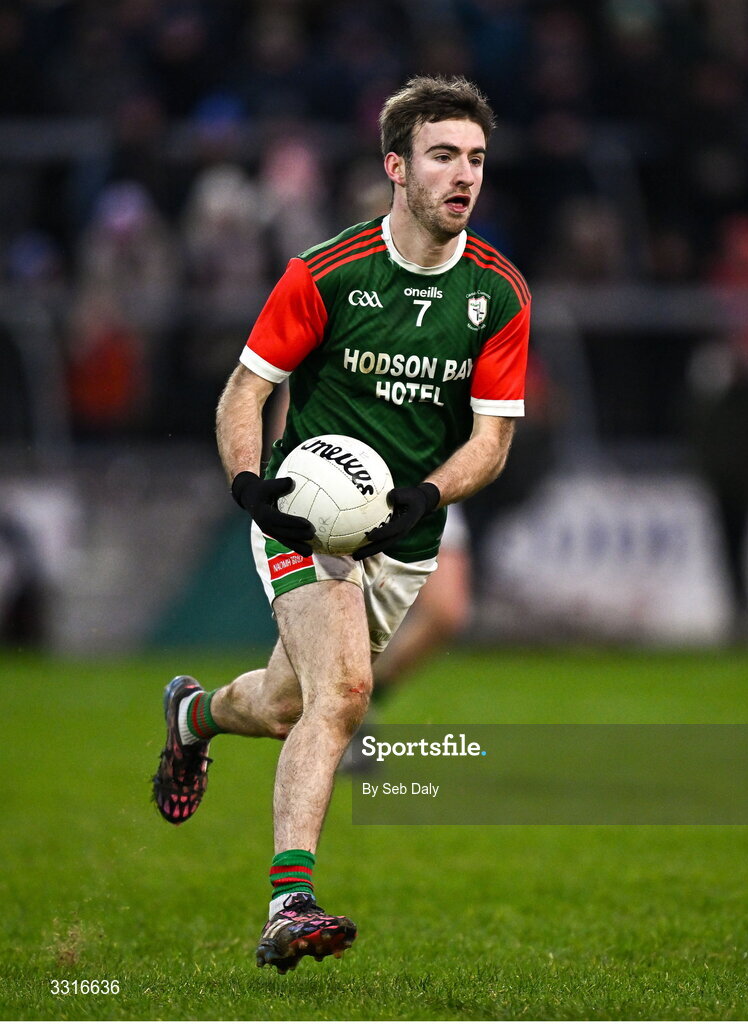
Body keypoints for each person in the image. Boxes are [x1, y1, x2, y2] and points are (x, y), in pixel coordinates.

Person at [152, 75, 530, 974]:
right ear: (396, 167)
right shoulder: (326, 271)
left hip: (403, 535)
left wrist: (428, 497)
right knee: (347, 695)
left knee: (288, 704)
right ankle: (290, 901)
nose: (462, 175)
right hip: (304, 516)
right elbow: (246, 391)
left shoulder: (499, 294)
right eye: (442, 155)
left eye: (475, 158)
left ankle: (193, 717)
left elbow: (492, 440)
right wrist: (251, 484)